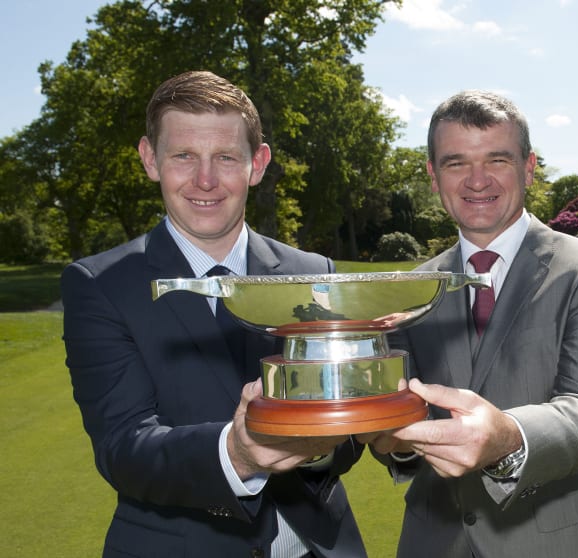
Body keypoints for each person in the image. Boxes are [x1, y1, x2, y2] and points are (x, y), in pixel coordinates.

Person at [61, 71, 366, 557]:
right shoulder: (101, 285)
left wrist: (325, 442)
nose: (205, 180)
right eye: (184, 155)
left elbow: (346, 428)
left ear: (257, 163)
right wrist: (236, 453)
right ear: (150, 159)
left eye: (225, 157)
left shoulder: (313, 273)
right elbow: (123, 448)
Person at [358, 90, 578, 557]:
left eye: (497, 160)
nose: (476, 180)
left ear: (528, 167)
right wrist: (395, 441)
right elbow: (400, 426)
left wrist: (506, 436)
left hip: (559, 541)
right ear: (432, 175)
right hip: (435, 539)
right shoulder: (409, 287)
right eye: (455, 163)